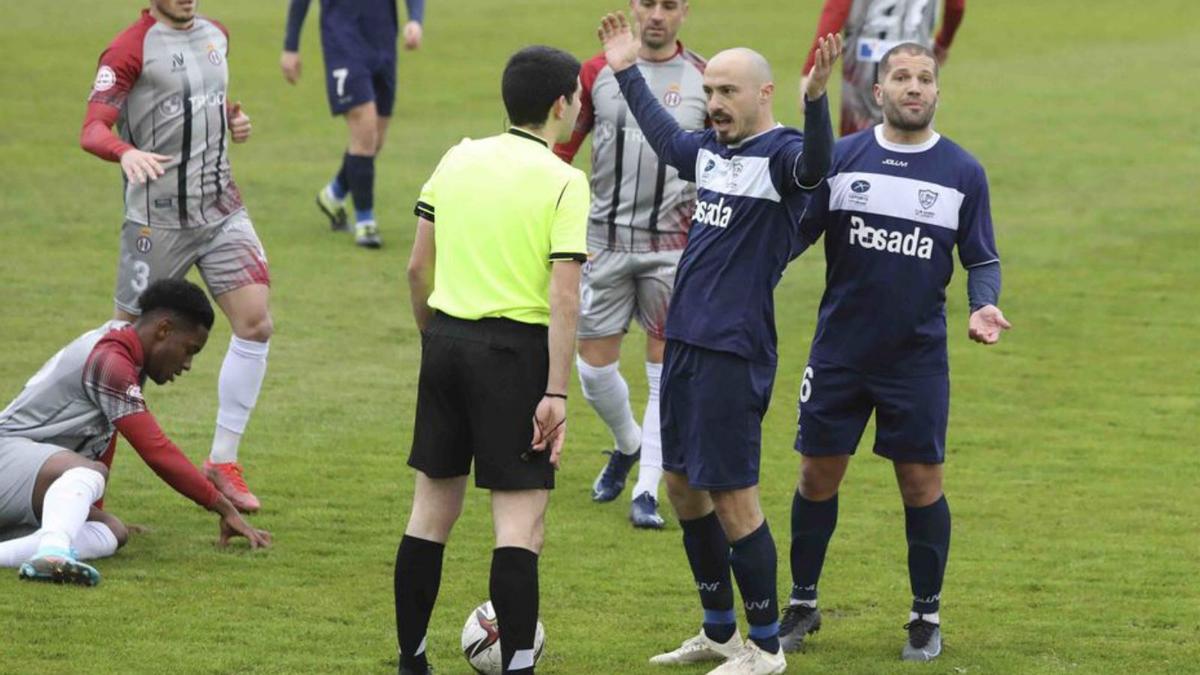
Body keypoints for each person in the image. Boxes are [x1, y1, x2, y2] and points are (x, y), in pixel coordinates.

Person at [597, 12, 840, 674]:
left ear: (763, 93)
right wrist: (624, 71)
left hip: (734, 348)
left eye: (728, 92)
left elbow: (818, 165)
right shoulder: (711, 152)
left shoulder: (783, 156)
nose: (715, 103)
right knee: (680, 485)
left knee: (733, 495)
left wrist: (816, 102)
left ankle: (765, 648)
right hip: (685, 341)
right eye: (710, 92)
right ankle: (720, 630)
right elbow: (665, 137)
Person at [778, 42, 1010, 662]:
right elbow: (794, 237)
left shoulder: (963, 172)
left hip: (916, 360)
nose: (914, 87)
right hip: (839, 353)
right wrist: (748, 276)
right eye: (901, 77)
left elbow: (981, 257)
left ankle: (924, 615)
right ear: (877, 93)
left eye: (925, 78)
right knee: (816, 476)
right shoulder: (845, 159)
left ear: (937, 92)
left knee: (920, 484)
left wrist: (983, 303)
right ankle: (802, 603)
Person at [393, 46, 588, 675]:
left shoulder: (457, 156)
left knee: (429, 514)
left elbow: (417, 267)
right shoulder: (564, 179)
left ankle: (412, 661)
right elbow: (564, 295)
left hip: (446, 342)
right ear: (562, 104)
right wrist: (555, 391)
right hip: (515, 355)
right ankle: (518, 670)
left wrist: (436, 336)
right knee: (519, 525)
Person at [81, 0, 273, 513]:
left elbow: (209, 98)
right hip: (157, 220)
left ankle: (222, 462)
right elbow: (93, 129)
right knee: (120, 355)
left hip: (221, 210)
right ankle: (90, 487)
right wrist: (126, 152)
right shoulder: (128, 49)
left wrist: (234, 117)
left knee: (255, 325)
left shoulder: (218, 34)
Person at [0, 280, 272, 587]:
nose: (187, 364)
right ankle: (54, 554)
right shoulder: (110, 360)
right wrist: (223, 506)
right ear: (163, 329)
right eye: (189, 349)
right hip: (7, 458)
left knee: (112, 533)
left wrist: (85, 511)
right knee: (89, 471)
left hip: (27, 480)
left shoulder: (125, 347)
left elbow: (106, 434)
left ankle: (30, 550)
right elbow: (156, 449)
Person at [553, 0, 707, 530]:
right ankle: (629, 445)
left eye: (669, 4)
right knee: (593, 372)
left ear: (686, 10)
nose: (657, 14)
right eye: (648, 3)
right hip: (603, 242)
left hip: (673, 246)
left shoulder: (704, 79)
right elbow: (562, 152)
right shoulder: (596, 72)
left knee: (664, 371)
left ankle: (646, 490)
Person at [281, 0, 427, 248]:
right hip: (343, 43)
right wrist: (290, 46)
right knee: (365, 127)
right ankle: (365, 222)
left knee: (375, 140)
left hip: (383, 43)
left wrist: (415, 19)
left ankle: (334, 195)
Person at [800, 0, 965, 135]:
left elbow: (837, 9)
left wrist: (811, 69)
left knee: (859, 145)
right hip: (917, 61)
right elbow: (956, 6)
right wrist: (943, 43)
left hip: (863, 66)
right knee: (915, 138)